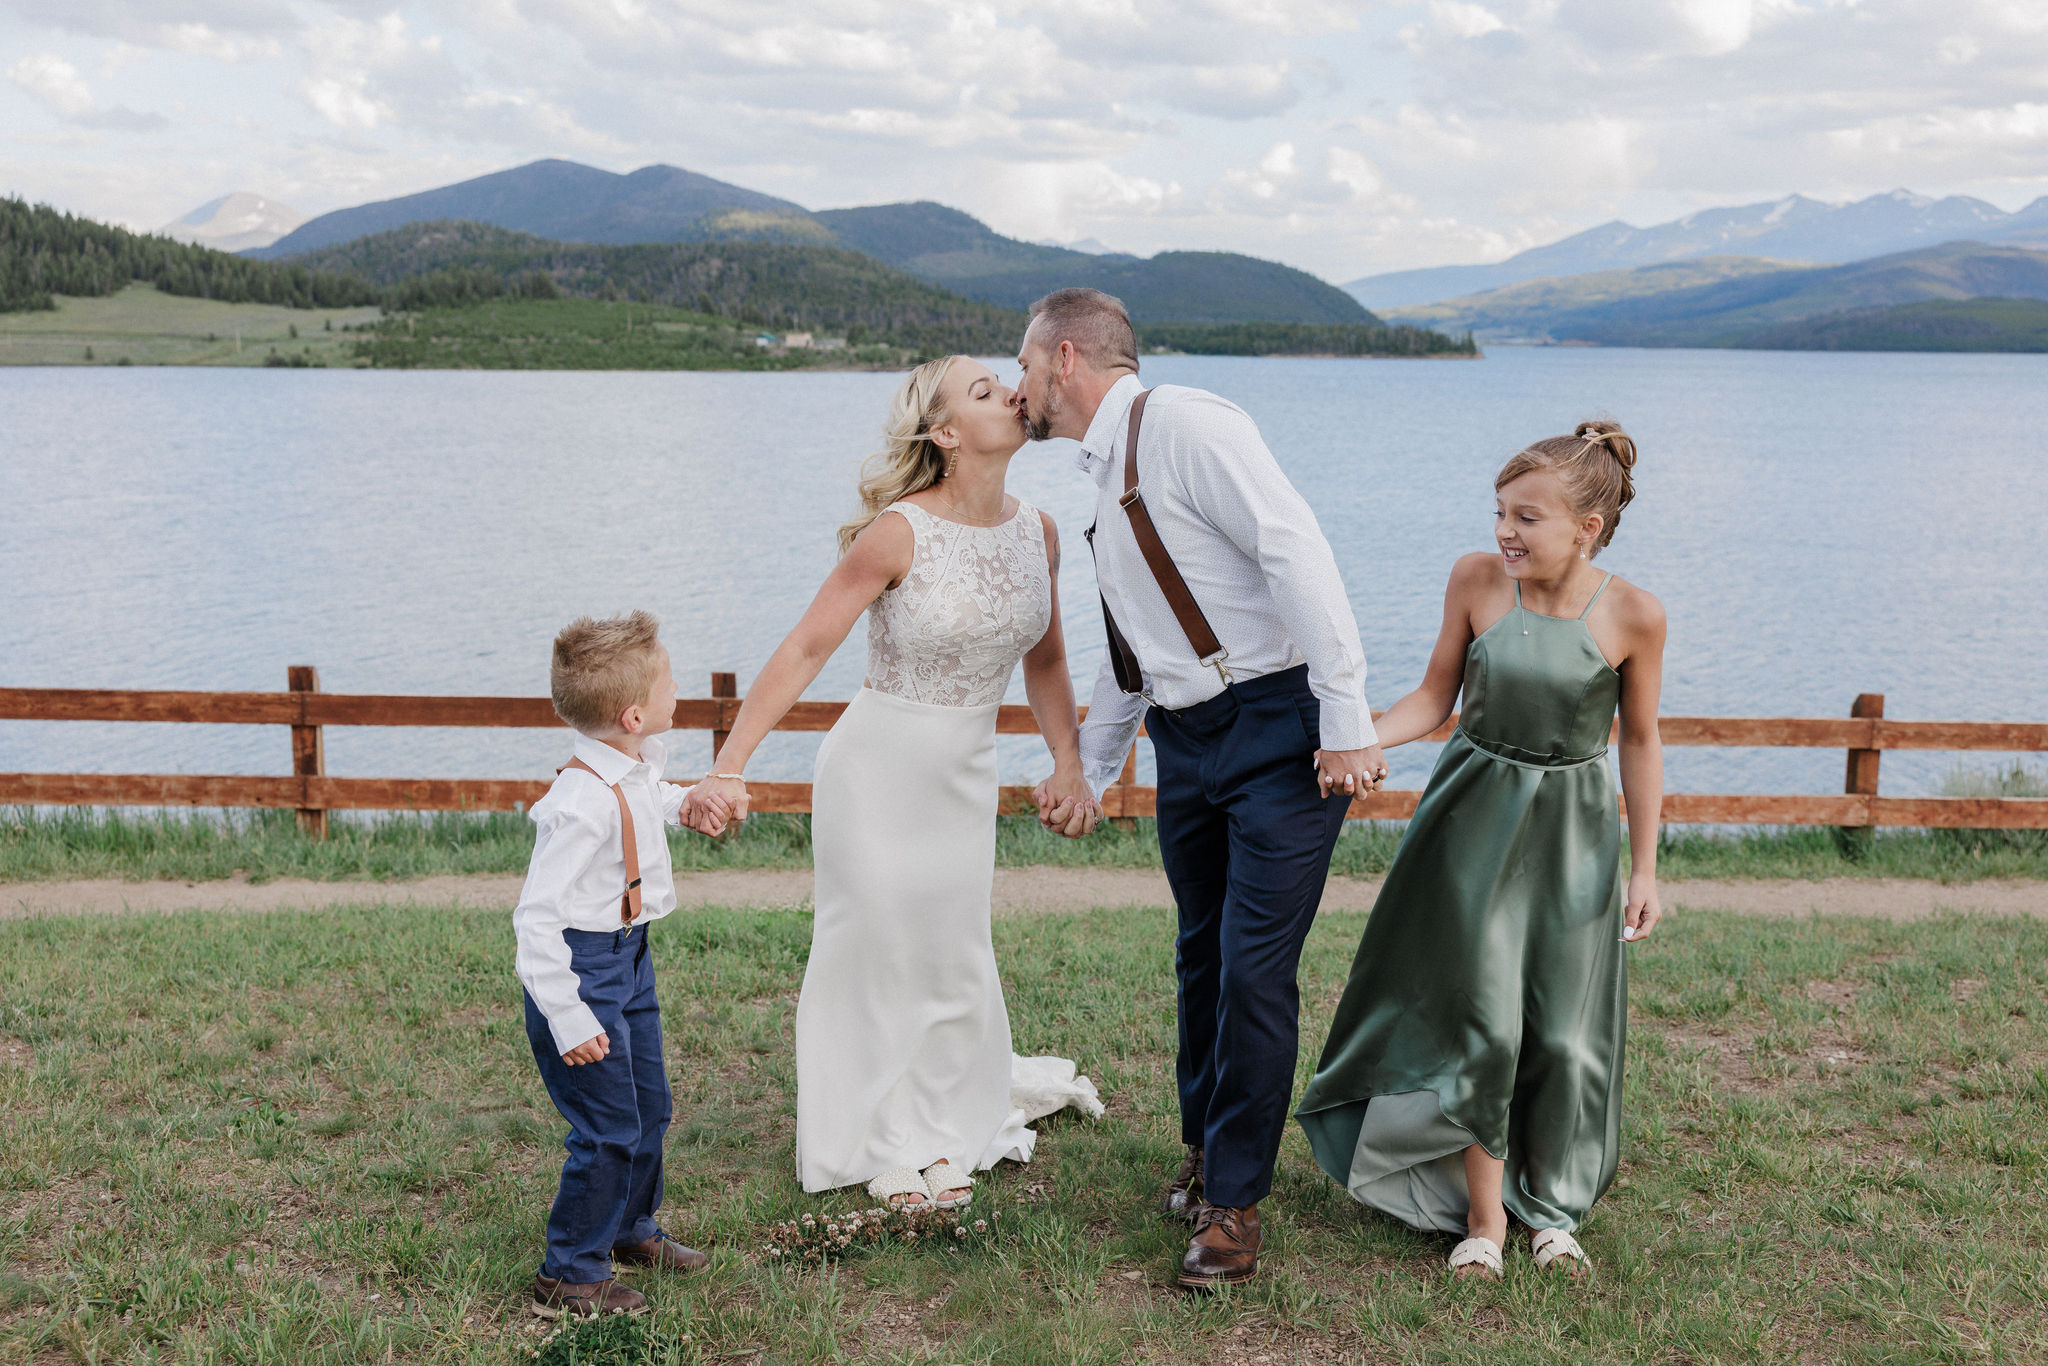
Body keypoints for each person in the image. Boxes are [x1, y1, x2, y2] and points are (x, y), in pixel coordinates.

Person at [1014, 287, 1387, 1290]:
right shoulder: (1099, 480)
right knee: (1198, 958)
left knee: (1251, 969)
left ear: (1062, 360)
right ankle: (1203, 1150)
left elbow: (1292, 548)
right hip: (1186, 740)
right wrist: (1093, 769)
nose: (1018, 393)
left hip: (1279, 732)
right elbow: (1131, 644)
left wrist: (1344, 716)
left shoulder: (1187, 423)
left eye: (1022, 369)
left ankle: (1235, 1205)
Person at [683, 355, 1101, 1212]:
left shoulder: (1042, 532)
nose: (1012, 394)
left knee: (950, 952)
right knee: (873, 951)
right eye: (984, 392)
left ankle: (946, 1133)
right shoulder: (897, 533)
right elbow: (805, 648)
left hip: (965, 773)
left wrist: (1069, 762)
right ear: (947, 433)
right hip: (876, 771)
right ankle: (875, 1142)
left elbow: (1049, 660)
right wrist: (730, 764)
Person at [1295, 422, 1667, 1281]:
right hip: (1470, 829)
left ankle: (1555, 1210)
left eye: (1528, 517)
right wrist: (1352, 741)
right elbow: (1433, 697)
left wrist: (1644, 866)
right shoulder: (1476, 580)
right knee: (1485, 1026)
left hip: (1574, 837)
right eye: (1501, 511)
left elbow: (1640, 744)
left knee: (1565, 1037)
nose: (1507, 531)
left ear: (1588, 529)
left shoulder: (1635, 614)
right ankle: (1487, 1222)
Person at [515, 611, 710, 1319]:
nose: (678, 685)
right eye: (669, 680)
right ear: (634, 713)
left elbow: (646, 798)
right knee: (607, 1127)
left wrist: (687, 802)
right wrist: (567, 1015)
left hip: (630, 956)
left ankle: (629, 1227)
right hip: (581, 968)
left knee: (649, 1105)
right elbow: (536, 919)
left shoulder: (627, 766)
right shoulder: (576, 805)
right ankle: (567, 1273)